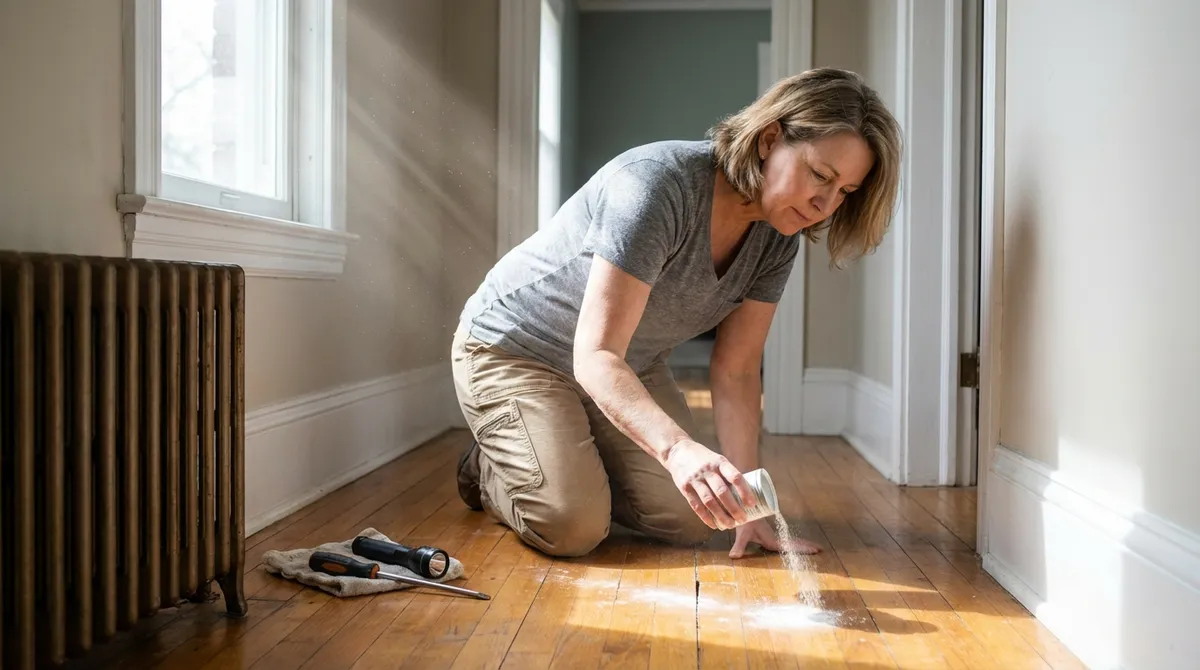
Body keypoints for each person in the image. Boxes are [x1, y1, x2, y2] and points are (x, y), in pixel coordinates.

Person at [451, 68, 902, 560]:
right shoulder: (656, 186)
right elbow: (596, 354)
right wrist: (675, 449)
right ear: (770, 138)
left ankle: (562, 458)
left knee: (699, 516)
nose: (825, 204)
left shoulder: (778, 238)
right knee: (573, 526)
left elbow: (737, 369)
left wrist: (751, 509)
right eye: (821, 176)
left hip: (626, 364)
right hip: (517, 351)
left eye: (846, 192)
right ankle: (491, 468)